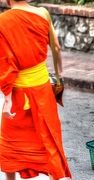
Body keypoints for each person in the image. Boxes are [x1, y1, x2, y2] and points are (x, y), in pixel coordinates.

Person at [0, 0, 71, 179]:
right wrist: (59, 77)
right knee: (49, 139)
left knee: (11, 144)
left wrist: (7, 99)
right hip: (42, 88)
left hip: (18, 93)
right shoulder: (42, 13)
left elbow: (5, 63)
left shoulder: (2, 21)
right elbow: (56, 47)